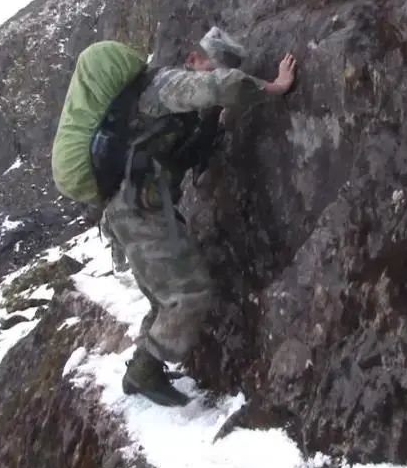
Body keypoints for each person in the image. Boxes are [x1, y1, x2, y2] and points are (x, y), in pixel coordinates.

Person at [101, 27, 297, 406]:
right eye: (213, 65)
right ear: (193, 60)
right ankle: (144, 371)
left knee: (164, 295)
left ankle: (142, 369)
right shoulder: (170, 83)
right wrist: (275, 86)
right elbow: (220, 87)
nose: (217, 72)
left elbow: (184, 152)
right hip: (137, 207)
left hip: (136, 206)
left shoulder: (173, 106)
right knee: (189, 293)